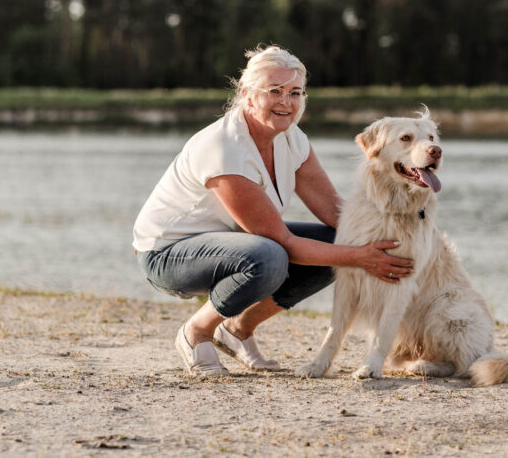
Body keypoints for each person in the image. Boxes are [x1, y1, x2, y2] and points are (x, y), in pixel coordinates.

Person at [133, 45, 413, 376]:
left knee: (336, 239)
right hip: (167, 254)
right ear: (248, 96)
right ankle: (196, 332)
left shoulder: (292, 139)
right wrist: (360, 257)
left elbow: (338, 214)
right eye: (274, 91)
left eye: (295, 93)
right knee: (270, 257)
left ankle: (237, 329)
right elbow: (281, 240)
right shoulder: (224, 147)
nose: (286, 102)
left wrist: (404, 234)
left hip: (232, 244)